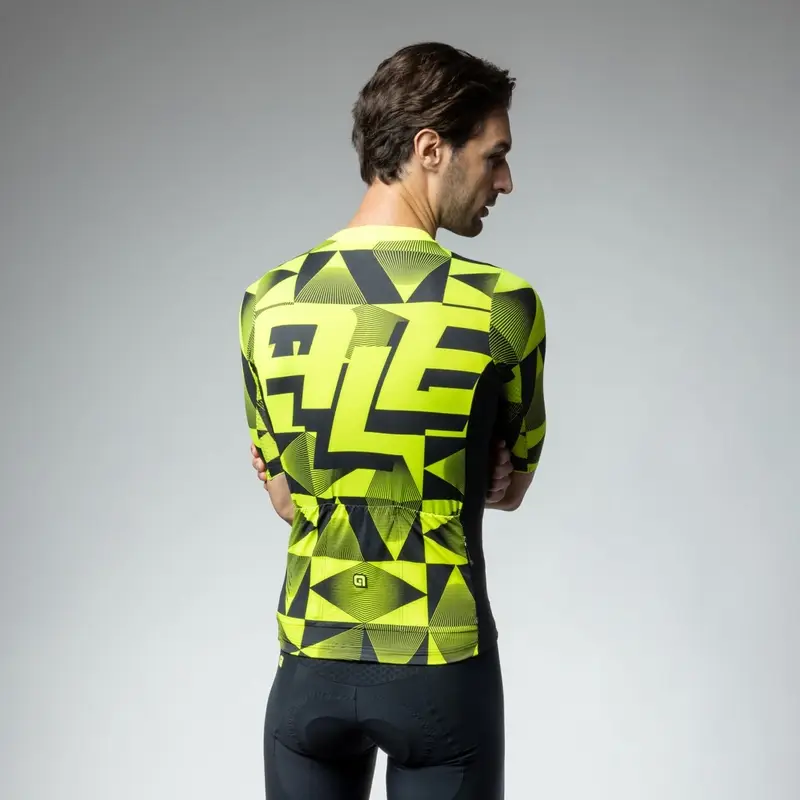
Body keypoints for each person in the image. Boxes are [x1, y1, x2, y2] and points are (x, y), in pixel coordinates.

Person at [238, 41, 547, 800]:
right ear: (430, 149)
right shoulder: (502, 307)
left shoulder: (266, 300)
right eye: (495, 155)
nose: (506, 181)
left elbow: (286, 499)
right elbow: (508, 489)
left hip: (310, 660)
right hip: (440, 662)